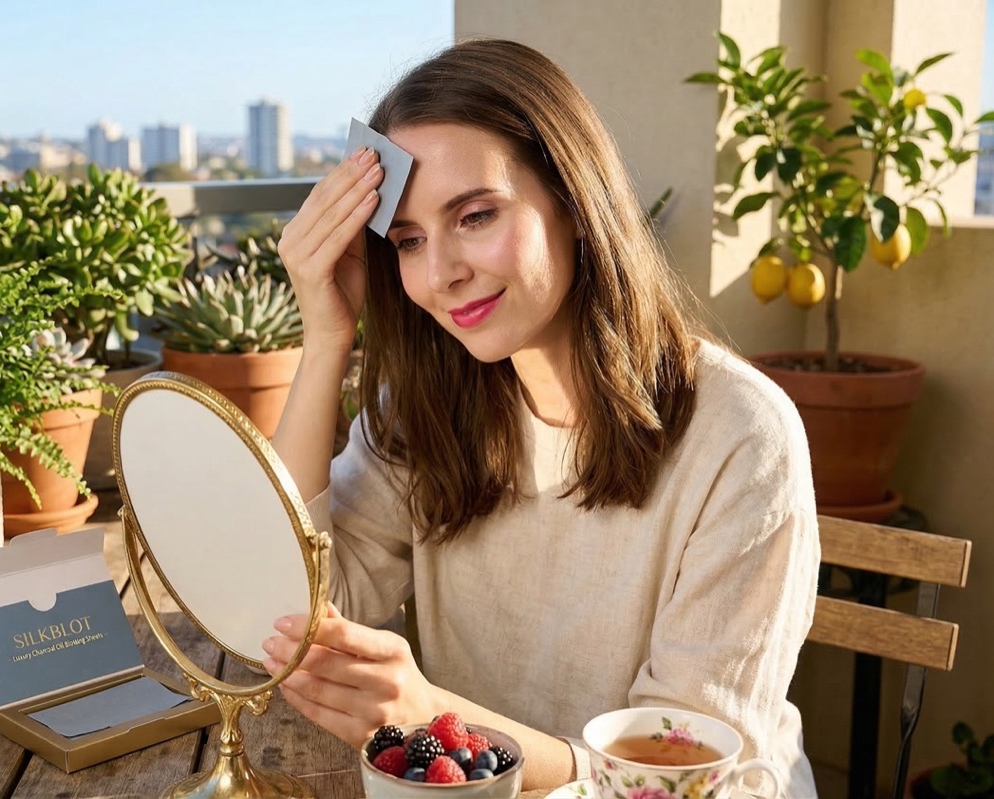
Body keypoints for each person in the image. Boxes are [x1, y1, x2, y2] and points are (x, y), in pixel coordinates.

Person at [263, 37, 820, 797]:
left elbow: (680, 777)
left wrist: (438, 720)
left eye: (476, 215)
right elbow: (297, 611)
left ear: (574, 199)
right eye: (410, 241)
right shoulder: (423, 407)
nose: (440, 274)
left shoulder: (741, 435)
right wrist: (326, 339)